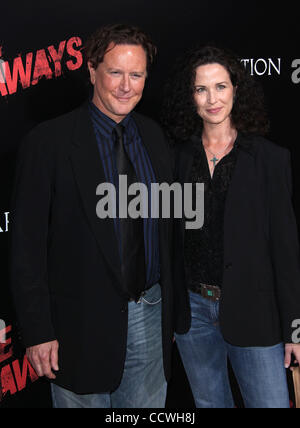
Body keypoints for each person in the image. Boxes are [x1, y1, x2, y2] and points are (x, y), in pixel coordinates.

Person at [10, 24, 174, 408]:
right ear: (91, 71)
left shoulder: (154, 137)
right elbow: (26, 248)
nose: (125, 86)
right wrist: (37, 331)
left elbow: (166, 233)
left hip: (150, 318)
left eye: (136, 75)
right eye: (115, 72)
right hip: (77, 325)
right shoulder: (48, 143)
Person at [162, 45, 300, 408]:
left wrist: (294, 330)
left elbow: (285, 251)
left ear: (236, 90)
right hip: (194, 315)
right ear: (189, 97)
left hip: (254, 313)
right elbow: (170, 243)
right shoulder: (176, 159)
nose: (212, 99)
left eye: (221, 87)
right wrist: (172, 315)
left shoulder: (269, 159)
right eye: (201, 89)